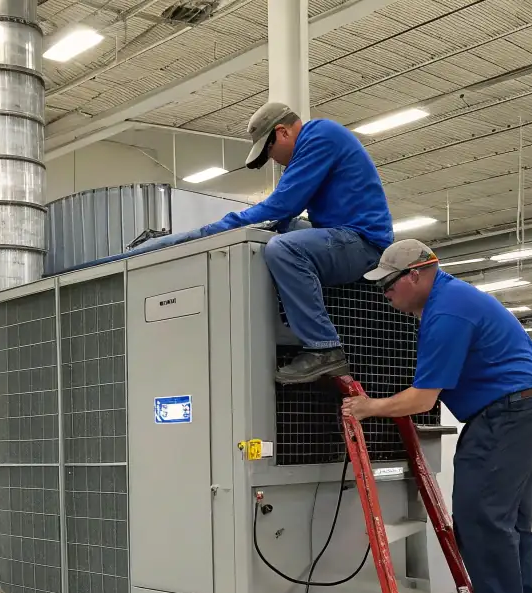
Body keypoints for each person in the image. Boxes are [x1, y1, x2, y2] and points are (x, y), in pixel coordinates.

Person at [341, 240, 532, 593]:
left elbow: (421, 400)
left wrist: (369, 407)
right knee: (510, 528)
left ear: (416, 274)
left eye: (388, 285)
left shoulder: (447, 312)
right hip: (523, 409)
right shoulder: (454, 299)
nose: (385, 294)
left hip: (504, 415)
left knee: (481, 525)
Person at [131, 101, 394, 385]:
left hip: (362, 243)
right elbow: (285, 213)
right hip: (338, 234)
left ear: (281, 133)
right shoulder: (314, 142)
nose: (274, 161)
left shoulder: (320, 136)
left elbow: (282, 204)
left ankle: (324, 348)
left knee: (283, 248)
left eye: (269, 152)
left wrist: (217, 229)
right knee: (274, 234)